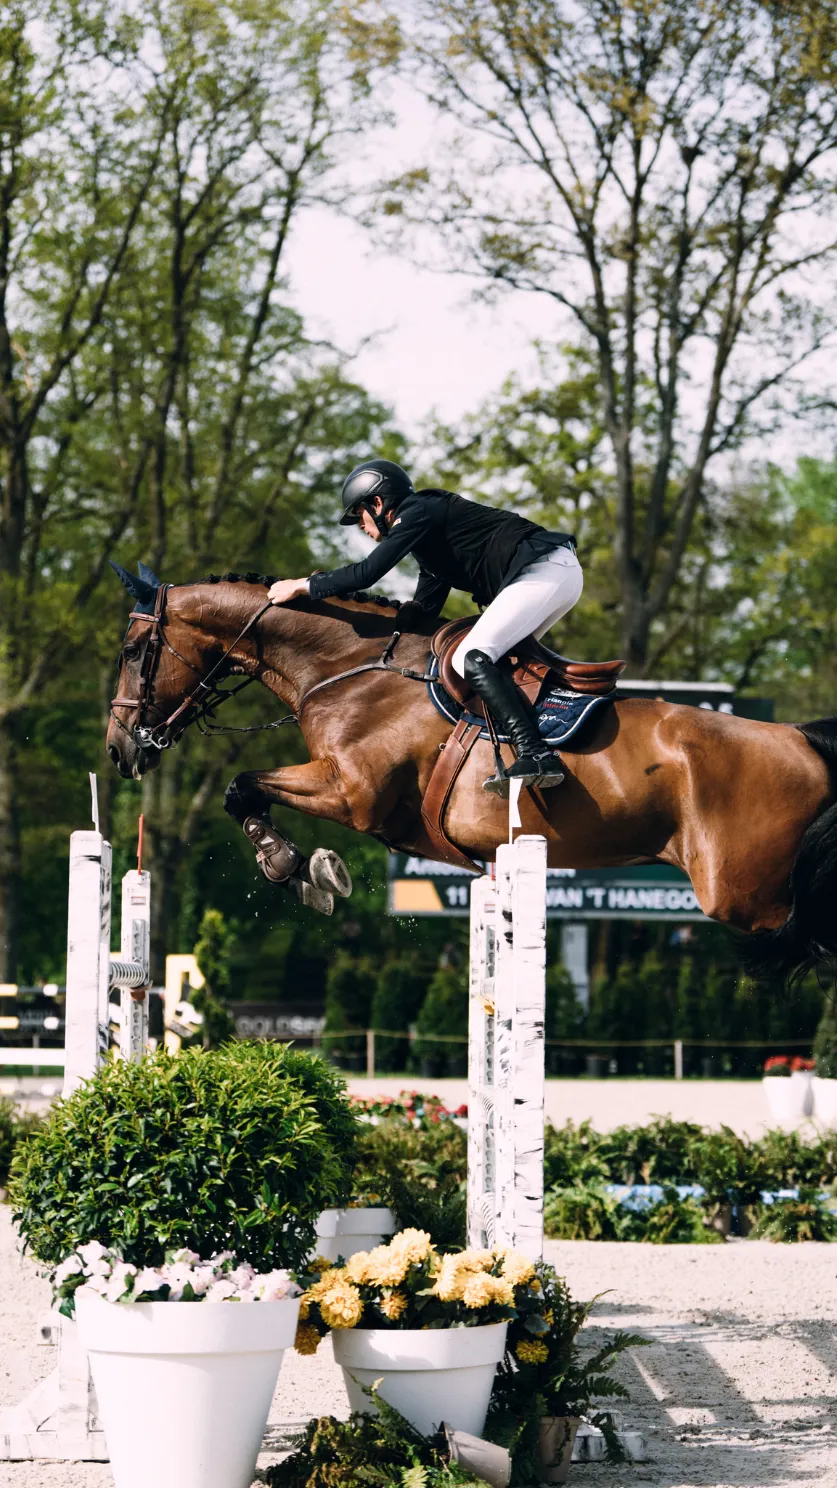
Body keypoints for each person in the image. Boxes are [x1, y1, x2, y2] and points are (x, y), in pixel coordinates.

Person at [268, 458, 583, 790]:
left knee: (471, 656)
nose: (360, 525)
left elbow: (367, 573)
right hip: (553, 572)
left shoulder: (420, 509)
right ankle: (549, 739)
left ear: (377, 503)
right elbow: (424, 609)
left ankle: (535, 754)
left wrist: (303, 585)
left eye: (358, 514)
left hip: (544, 571)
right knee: (502, 667)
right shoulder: (427, 540)